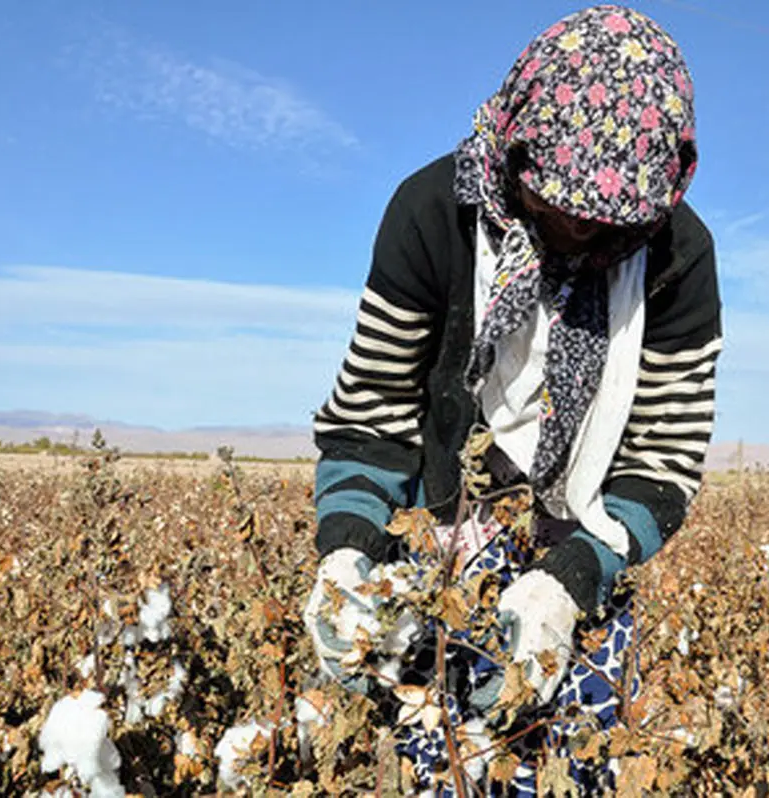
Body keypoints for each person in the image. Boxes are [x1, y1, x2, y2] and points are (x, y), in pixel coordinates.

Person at [302, 4, 722, 793]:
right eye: (555, 204)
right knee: (438, 759)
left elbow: (663, 461)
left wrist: (568, 580)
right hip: (435, 553)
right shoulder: (433, 213)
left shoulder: (678, 257)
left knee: (570, 765)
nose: (574, 232)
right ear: (515, 147)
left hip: (584, 550)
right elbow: (370, 418)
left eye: (606, 228)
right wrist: (348, 551)